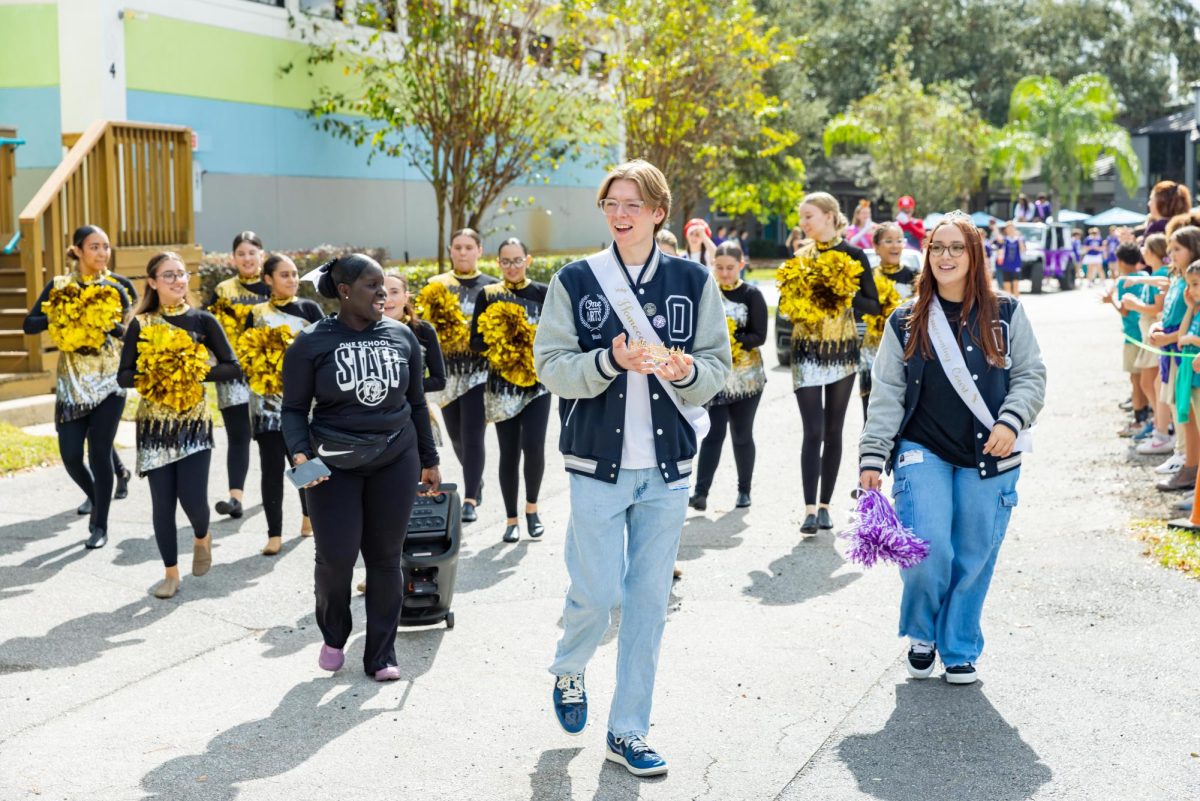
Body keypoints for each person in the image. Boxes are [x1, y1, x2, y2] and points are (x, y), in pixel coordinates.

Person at [534, 159, 730, 776]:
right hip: (597, 465)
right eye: (610, 204)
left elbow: (717, 368)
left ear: (657, 212)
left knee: (647, 602)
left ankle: (628, 730)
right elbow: (550, 366)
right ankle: (570, 667)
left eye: (631, 205)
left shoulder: (693, 280)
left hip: (668, 470)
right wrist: (607, 363)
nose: (620, 215)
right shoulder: (576, 280)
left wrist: (685, 372)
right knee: (594, 593)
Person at [859, 213, 1047, 685]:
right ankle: (923, 633)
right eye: (937, 248)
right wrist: (872, 456)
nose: (946, 256)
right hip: (923, 450)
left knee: (975, 552)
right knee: (925, 549)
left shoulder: (1006, 313)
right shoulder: (905, 320)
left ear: (974, 254)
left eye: (956, 248)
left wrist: (1012, 419)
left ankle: (959, 644)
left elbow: (1031, 375)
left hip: (991, 452)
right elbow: (886, 393)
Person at [282, 254, 440, 681]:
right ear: (346, 291)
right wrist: (300, 454)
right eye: (371, 286)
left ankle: (381, 654)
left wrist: (430, 458)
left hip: (396, 457)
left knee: (386, 558)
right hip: (332, 466)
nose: (382, 293)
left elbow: (416, 403)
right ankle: (334, 634)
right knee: (336, 558)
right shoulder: (311, 342)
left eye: (384, 286)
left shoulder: (402, 336)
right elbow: (293, 410)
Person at [118, 252, 241, 598]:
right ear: (153, 283)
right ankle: (171, 573)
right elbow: (124, 376)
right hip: (155, 427)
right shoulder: (141, 325)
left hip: (194, 425)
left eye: (181, 274)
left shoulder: (203, 320)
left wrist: (191, 370)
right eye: (168, 275)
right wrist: (157, 372)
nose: (176, 280)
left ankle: (202, 535)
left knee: (193, 501)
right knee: (162, 504)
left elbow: (232, 367)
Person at [23, 225, 134, 549]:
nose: (101, 253)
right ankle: (95, 495)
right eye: (94, 247)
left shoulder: (117, 286)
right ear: (78, 250)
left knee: (100, 453)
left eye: (105, 247)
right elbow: (29, 324)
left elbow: (131, 332)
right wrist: (64, 314)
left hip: (109, 383)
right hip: (71, 384)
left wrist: (105, 323)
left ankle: (100, 526)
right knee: (71, 456)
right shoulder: (59, 286)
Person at [782, 192, 880, 534]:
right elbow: (785, 304)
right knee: (813, 430)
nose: (803, 223)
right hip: (807, 350)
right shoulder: (799, 256)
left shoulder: (853, 255)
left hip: (842, 350)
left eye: (808, 216)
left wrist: (841, 291)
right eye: (802, 217)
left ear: (828, 216)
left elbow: (873, 303)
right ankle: (808, 509)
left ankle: (825, 506)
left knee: (835, 429)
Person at [243, 254, 325, 556]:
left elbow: (323, 350)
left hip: (302, 403)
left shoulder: (309, 309)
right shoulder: (256, 313)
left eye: (294, 274)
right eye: (284, 275)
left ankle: (308, 517)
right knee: (271, 466)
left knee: (303, 460)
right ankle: (274, 532)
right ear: (268, 279)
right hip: (266, 403)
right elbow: (246, 354)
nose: (292, 280)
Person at [469, 238, 550, 542]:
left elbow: (556, 334)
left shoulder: (542, 292)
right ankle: (511, 519)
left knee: (534, 447)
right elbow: (474, 342)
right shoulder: (488, 295)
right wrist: (501, 339)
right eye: (506, 261)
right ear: (497, 263)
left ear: (528, 260)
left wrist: (530, 342)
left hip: (537, 384)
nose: (512, 267)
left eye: (518, 260)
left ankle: (532, 508)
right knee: (509, 453)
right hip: (501, 386)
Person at [426, 229, 498, 522]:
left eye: (469, 247)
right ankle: (476, 479)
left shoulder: (492, 287)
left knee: (472, 434)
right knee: (455, 435)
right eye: (458, 247)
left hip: (480, 372)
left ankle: (469, 497)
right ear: (450, 250)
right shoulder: (436, 285)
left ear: (480, 250)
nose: (464, 252)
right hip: (448, 372)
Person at [689, 240, 767, 510]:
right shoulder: (708, 293)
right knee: (712, 433)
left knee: (742, 434)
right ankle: (700, 493)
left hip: (747, 377)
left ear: (741, 266)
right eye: (719, 268)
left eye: (730, 268)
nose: (724, 273)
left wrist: (734, 337)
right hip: (717, 378)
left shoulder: (752, 295)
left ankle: (744, 490)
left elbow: (760, 336)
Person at [206, 231, 270, 520]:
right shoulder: (222, 291)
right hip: (233, 375)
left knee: (281, 441)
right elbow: (207, 330)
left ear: (262, 255)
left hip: (271, 376)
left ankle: (310, 503)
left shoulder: (274, 286)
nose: (247, 258)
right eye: (241, 253)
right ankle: (236, 498)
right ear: (233, 258)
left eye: (252, 252)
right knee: (239, 436)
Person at [1149, 227, 1200, 492]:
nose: (1171, 254)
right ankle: (1189, 466)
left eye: (1177, 249)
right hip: (1183, 361)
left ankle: (1190, 466)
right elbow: (1175, 321)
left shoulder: (1191, 279)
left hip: (1188, 361)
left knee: (1190, 418)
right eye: (1169, 249)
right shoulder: (1181, 281)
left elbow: (1185, 332)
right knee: (1184, 414)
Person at [858, 222, 918, 417]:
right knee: (872, 410)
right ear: (876, 247)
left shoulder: (914, 276)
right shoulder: (868, 277)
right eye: (889, 241)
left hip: (906, 351)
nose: (895, 245)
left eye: (899, 240)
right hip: (873, 351)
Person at [1105, 243, 1151, 434]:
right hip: (1147, 333)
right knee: (1147, 376)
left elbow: (1125, 311)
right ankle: (1147, 416)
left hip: (1132, 335)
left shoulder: (1125, 281)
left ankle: (1139, 419)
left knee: (1136, 378)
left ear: (1121, 261)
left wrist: (1111, 302)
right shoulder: (1146, 276)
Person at [997, 221, 1024, 296]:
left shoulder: (1018, 239)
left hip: (1016, 265)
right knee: (1007, 287)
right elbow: (999, 239)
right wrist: (994, 228)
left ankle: (1017, 304)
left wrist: (1019, 238)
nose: (1010, 229)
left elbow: (1022, 250)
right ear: (1006, 229)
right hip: (1006, 266)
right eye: (1008, 228)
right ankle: (1009, 305)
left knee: (1015, 285)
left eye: (1012, 227)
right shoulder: (1005, 240)